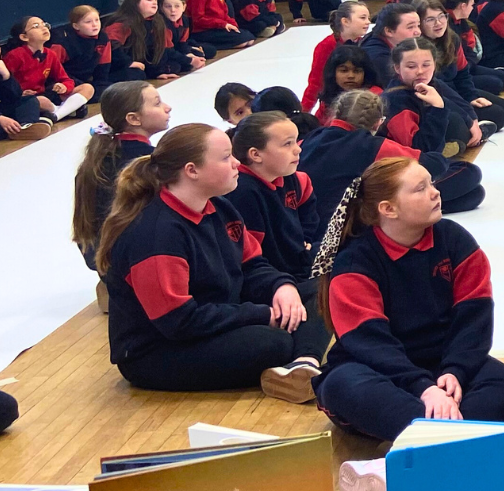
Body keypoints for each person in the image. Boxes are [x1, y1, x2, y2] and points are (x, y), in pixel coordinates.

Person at [94, 124, 330, 399]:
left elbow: (252, 265)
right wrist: (262, 315)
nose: (236, 164)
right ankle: (295, 356)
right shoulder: (156, 234)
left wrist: (282, 287)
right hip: (158, 351)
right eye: (226, 157)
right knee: (271, 342)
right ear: (192, 170)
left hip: (216, 317)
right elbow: (178, 321)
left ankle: (303, 364)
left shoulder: (219, 207)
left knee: (321, 289)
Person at [311, 158, 504, 446]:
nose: (435, 192)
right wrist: (423, 388)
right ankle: (452, 437)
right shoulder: (355, 262)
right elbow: (369, 344)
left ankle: (426, 438)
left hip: (440, 365)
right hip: (376, 369)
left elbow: (474, 320)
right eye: (420, 189)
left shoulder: (455, 241)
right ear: (388, 209)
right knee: (342, 386)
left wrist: (455, 371)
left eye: (432, 183)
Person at [301, 88, 484, 223]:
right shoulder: (372, 145)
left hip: (307, 220)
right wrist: (438, 110)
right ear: (378, 123)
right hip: (347, 223)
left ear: (336, 114)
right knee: (468, 173)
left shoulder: (310, 139)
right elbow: (434, 165)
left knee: (473, 195)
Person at [72, 80, 170, 267]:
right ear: (133, 119)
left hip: (103, 258)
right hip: (137, 260)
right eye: (157, 103)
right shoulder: (152, 162)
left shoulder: (96, 158)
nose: (167, 107)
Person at [226, 111, 321, 283]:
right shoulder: (242, 192)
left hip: (299, 263)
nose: (298, 149)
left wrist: (306, 239)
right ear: (255, 155)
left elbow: (308, 209)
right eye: (287, 144)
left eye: (296, 140)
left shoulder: (291, 177)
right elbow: (252, 255)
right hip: (273, 279)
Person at [418, 0, 504, 130]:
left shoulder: (452, 39)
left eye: (441, 16)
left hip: (456, 89)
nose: (438, 23)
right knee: (498, 115)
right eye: (430, 19)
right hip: (438, 98)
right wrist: (467, 108)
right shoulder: (418, 47)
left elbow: (462, 74)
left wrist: (471, 97)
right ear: (419, 24)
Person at [4, 16, 93, 121]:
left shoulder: (50, 54)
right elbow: (5, 84)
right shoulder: (15, 56)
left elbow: (65, 79)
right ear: (24, 37)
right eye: (36, 26)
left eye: (45, 24)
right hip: (27, 99)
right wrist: (20, 93)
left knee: (87, 88)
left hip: (45, 94)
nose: (44, 28)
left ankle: (57, 114)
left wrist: (64, 86)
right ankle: (67, 110)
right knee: (42, 101)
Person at [302, 0, 371, 111]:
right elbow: (316, 83)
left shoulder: (365, 43)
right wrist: (304, 112)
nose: (368, 22)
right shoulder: (327, 46)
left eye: (368, 18)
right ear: (345, 21)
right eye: (363, 18)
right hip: (335, 102)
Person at [104, 0, 167, 83]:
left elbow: (152, 50)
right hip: (115, 67)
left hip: (137, 64)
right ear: (135, 2)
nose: (154, 3)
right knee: (135, 74)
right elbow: (112, 47)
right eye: (149, 0)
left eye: (156, 1)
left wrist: (157, 72)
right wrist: (127, 62)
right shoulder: (122, 24)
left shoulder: (154, 23)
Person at [51, 5, 113, 93]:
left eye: (97, 20)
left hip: (87, 80)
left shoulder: (103, 38)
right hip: (66, 80)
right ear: (76, 26)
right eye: (88, 22)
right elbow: (53, 68)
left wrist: (101, 85)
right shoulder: (63, 42)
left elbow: (103, 67)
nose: (95, 25)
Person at [314, 44, 381, 120]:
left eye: (357, 71)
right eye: (344, 71)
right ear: (333, 73)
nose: (351, 76)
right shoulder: (328, 97)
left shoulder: (375, 96)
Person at [361, 1, 420, 84]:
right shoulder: (378, 57)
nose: (418, 32)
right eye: (410, 27)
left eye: (418, 26)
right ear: (389, 31)